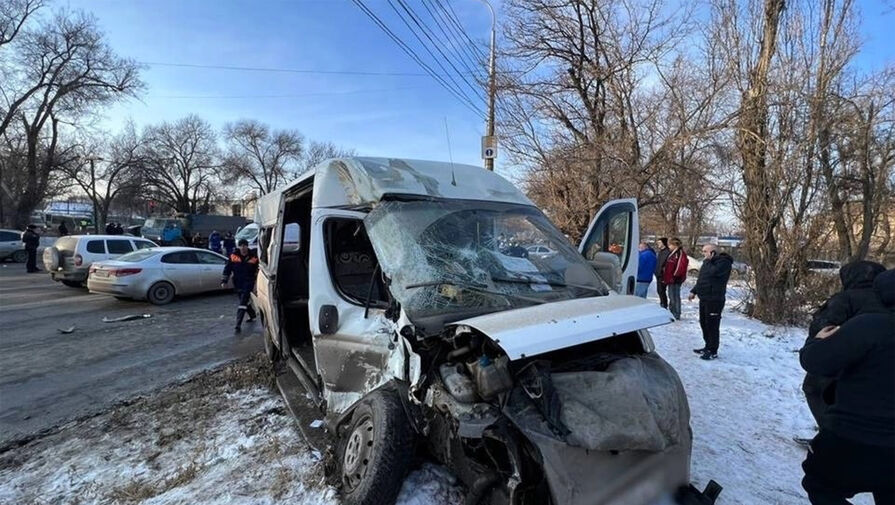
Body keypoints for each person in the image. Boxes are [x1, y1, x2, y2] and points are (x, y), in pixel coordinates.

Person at [799, 269, 894, 505]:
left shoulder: (870, 326)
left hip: (851, 438)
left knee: (819, 485)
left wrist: (817, 340)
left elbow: (815, 361)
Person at [803, 260, 886, 426]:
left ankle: (829, 428)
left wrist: (816, 341)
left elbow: (823, 327)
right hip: (883, 364)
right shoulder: (888, 300)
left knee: (813, 387)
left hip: (847, 361)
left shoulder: (845, 298)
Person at [688, 244, 733, 360]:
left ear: (712, 252)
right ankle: (707, 346)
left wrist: (709, 261)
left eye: (705, 251)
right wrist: (694, 291)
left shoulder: (724, 263)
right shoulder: (707, 263)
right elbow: (702, 279)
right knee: (704, 323)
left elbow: (713, 273)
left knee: (712, 325)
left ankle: (713, 350)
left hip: (715, 299)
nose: (703, 254)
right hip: (704, 298)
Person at [221, 238, 259, 332]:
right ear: (239, 247)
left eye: (245, 245)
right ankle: (252, 315)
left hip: (249, 282)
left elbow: (258, 270)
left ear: (247, 246)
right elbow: (227, 269)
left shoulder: (253, 257)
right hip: (238, 283)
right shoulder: (234, 256)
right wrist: (224, 281)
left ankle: (238, 324)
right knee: (244, 301)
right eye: (241, 246)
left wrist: (256, 284)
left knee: (242, 302)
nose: (243, 248)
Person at [661, 238, 688, 320]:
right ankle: (672, 311)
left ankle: (676, 313)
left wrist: (674, 276)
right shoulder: (673, 253)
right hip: (670, 279)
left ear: (675, 245)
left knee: (675, 296)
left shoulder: (679, 253)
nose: (669, 246)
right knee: (671, 295)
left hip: (675, 279)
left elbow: (681, 266)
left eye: (670, 245)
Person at [654, 237, 670, 308]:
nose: (658, 244)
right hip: (659, 274)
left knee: (661, 290)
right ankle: (662, 303)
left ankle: (664, 304)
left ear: (664, 243)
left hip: (663, 275)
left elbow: (665, 264)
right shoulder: (661, 252)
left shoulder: (667, 252)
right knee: (659, 290)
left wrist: (662, 271)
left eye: (660, 243)